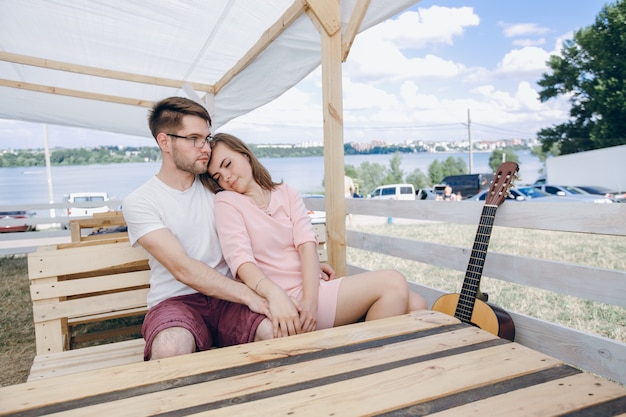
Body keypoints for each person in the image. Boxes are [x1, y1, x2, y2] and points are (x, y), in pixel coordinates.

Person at [201, 132, 428, 338]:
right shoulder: (227, 202)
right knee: (393, 282)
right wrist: (297, 301)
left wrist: (311, 301)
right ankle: (365, 364)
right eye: (218, 176)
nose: (226, 177)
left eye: (228, 164)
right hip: (283, 300)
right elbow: (241, 262)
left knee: (416, 303)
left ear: (245, 155)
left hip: (312, 292)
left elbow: (307, 245)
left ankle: (371, 361)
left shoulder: (285, 192)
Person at [122, 97, 277, 361]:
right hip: (177, 301)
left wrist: (292, 257)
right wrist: (247, 295)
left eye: (206, 138)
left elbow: (259, 223)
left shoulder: (217, 186)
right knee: (170, 348)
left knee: (278, 331)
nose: (205, 147)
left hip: (230, 300)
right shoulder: (140, 201)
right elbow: (182, 267)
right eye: (194, 138)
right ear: (165, 142)